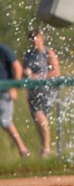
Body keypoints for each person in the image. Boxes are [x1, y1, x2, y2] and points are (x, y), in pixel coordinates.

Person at [21, 27, 60, 158]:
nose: (34, 41)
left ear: (41, 38)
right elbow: (23, 71)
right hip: (33, 90)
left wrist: (37, 76)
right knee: (37, 119)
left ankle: (46, 149)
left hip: (46, 89)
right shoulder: (28, 54)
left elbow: (56, 72)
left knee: (40, 116)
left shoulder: (48, 53)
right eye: (31, 39)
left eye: (36, 38)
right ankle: (44, 147)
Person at [0, 43, 30, 158]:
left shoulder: (3, 49)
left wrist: (13, 88)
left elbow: (18, 68)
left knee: (5, 121)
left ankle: (23, 149)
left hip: (4, 91)